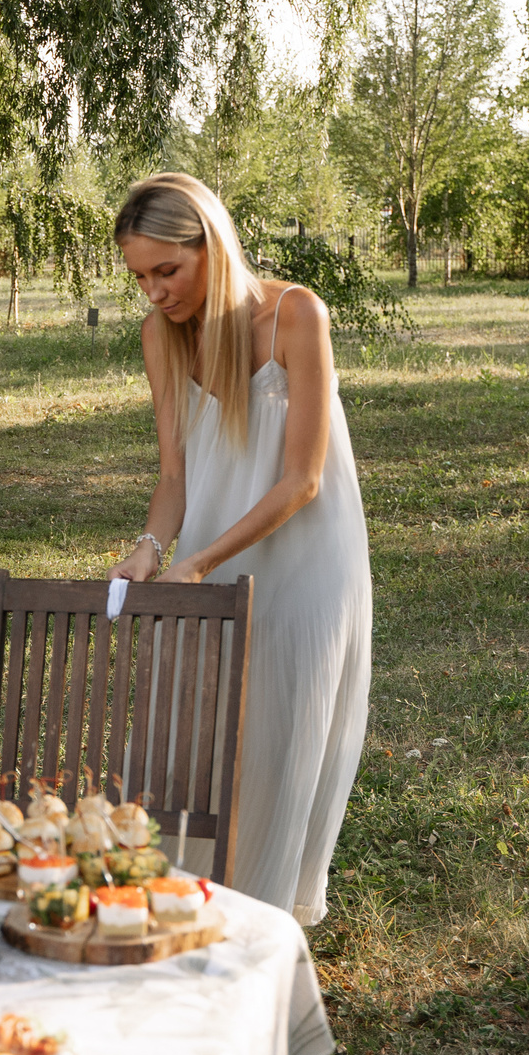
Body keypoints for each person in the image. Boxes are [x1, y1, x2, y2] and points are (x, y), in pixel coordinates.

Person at [108, 173, 370, 925]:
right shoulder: (161, 335)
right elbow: (173, 477)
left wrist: (200, 559)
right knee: (193, 728)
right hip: (211, 554)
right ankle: (186, 905)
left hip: (309, 558)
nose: (155, 292)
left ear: (211, 247)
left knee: (284, 732)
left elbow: (303, 479)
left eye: (168, 270)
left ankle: (263, 923)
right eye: (140, 277)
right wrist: (153, 549)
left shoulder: (296, 314)